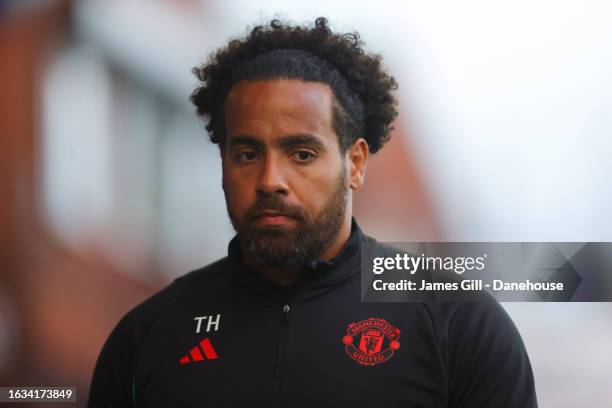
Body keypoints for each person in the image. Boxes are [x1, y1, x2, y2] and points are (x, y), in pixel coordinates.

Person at [88, 17, 538, 407]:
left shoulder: (457, 321)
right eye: (246, 154)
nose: (270, 180)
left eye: (301, 154)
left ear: (355, 164)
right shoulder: (148, 338)